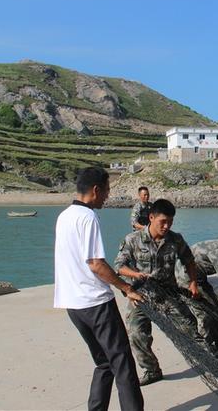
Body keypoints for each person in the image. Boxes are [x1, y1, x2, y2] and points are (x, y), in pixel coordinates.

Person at [54, 167, 144, 411]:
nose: (107, 196)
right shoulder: (88, 217)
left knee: (103, 362)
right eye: (107, 190)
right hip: (95, 304)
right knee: (122, 364)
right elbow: (95, 263)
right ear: (96, 190)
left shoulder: (64, 216)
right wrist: (125, 287)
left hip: (73, 305)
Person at [114, 199, 201, 386]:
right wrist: (135, 274)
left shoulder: (175, 239)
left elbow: (189, 260)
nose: (167, 226)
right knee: (137, 334)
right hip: (141, 295)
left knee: (190, 326)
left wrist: (193, 282)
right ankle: (152, 369)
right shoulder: (132, 239)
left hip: (168, 294)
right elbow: (119, 266)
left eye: (170, 221)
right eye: (163, 221)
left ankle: (207, 360)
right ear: (151, 218)